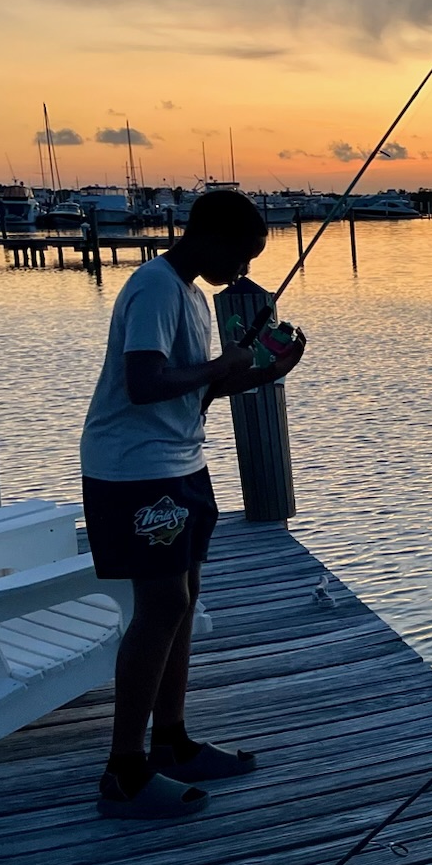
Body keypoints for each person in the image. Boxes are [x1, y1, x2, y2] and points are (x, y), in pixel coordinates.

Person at [80, 189, 305, 819]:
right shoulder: (154, 286)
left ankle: (171, 743)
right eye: (242, 254)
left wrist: (265, 370)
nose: (244, 271)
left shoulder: (194, 296)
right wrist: (218, 365)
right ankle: (123, 772)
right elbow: (145, 383)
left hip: (180, 460)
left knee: (184, 601)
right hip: (133, 468)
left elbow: (196, 394)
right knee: (163, 605)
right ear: (207, 236)